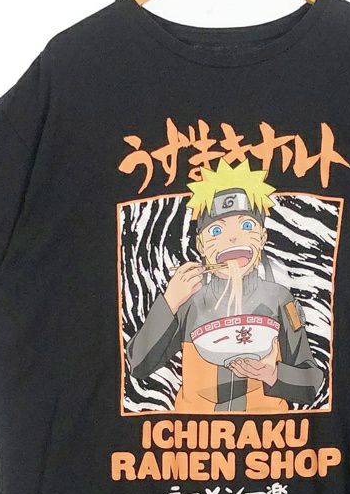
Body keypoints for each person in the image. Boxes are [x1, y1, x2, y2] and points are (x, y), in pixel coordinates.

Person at [127, 157, 323, 413]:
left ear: (262, 237)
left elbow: (312, 383)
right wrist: (169, 302)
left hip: (266, 429)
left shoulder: (279, 299)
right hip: (193, 433)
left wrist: (272, 374)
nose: (233, 237)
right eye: (216, 231)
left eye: (246, 225)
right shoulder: (189, 302)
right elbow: (138, 366)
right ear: (200, 246)